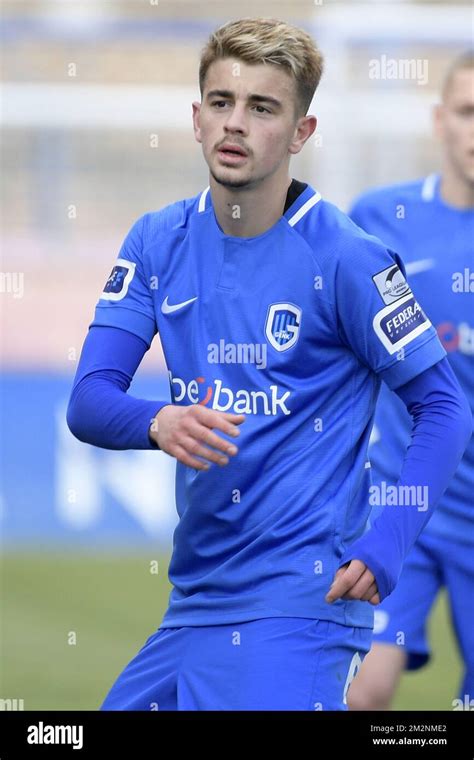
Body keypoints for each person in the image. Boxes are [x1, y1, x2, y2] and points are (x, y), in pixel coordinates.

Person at [66, 19, 471, 711]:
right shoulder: (158, 240)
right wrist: (158, 420)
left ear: (301, 132)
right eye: (221, 102)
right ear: (195, 119)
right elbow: (89, 400)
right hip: (194, 602)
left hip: (298, 606)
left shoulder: (348, 257)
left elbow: (444, 406)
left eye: (262, 107)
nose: (235, 123)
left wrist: (387, 544)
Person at [347, 52, 474, 711]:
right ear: (440, 121)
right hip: (407, 502)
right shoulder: (380, 220)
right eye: (468, 112)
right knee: (361, 694)